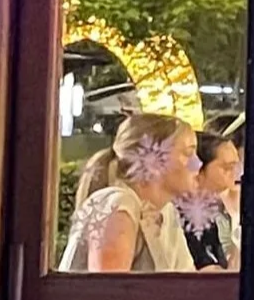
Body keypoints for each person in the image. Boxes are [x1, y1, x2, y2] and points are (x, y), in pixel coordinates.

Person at [59, 110, 203, 274]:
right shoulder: (118, 205)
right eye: (188, 153)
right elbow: (107, 293)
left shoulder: (167, 213)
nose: (197, 163)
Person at [182, 128, 243, 270]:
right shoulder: (181, 215)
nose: (235, 174)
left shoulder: (211, 210)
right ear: (198, 170)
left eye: (236, 166)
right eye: (227, 168)